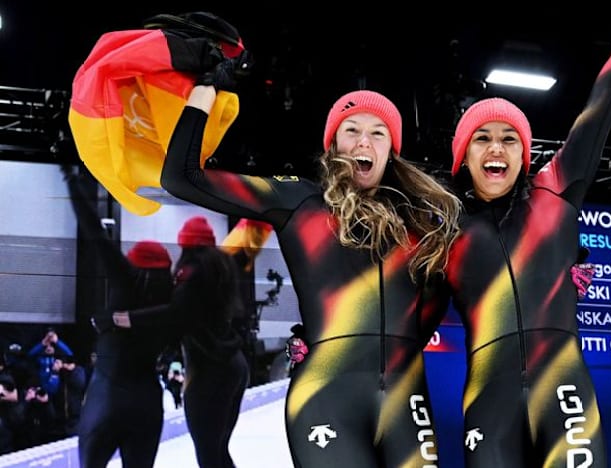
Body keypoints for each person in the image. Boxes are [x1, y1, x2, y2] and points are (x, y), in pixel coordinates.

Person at [159, 70, 462, 465]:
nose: (364, 142)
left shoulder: (421, 223)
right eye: (351, 129)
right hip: (325, 398)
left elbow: (432, 307)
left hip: (405, 400)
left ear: (391, 150)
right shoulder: (299, 200)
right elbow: (180, 177)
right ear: (333, 142)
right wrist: (204, 89)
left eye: (378, 132)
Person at [445, 1, 611, 466]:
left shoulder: (556, 188)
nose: (496, 148)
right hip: (489, 401)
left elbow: (602, 103)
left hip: (563, 388)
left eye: (510, 138)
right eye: (482, 138)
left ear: (525, 155)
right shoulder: (445, 228)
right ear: (463, 156)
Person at [112, 215, 249, 468]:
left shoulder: (191, 274)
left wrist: (129, 318)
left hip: (209, 371)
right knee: (218, 451)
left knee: (209, 453)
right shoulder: (220, 269)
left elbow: (175, 314)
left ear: (185, 246)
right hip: (234, 365)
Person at [64, 165, 176, 468]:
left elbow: (94, 232)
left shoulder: (125, 278)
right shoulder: (173, 301)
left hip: (107, 396)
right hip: (147, 401)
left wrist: (71, 180)